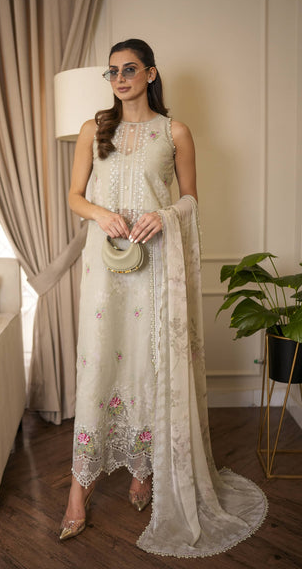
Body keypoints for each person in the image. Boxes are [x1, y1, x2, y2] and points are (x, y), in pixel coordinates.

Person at [60, 39, 267, 557]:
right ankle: (78, 490)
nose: (119, 78)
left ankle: (142, 468)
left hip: (154, 268)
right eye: (112, 71)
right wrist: (101, 213)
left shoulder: (175, 132)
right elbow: (74, 196)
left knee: (149, 366)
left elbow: (191, 197)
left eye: (129, 69)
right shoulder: (92, 129)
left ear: (150, 74)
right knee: (100, 363)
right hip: (106, 270)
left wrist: (164, 215)